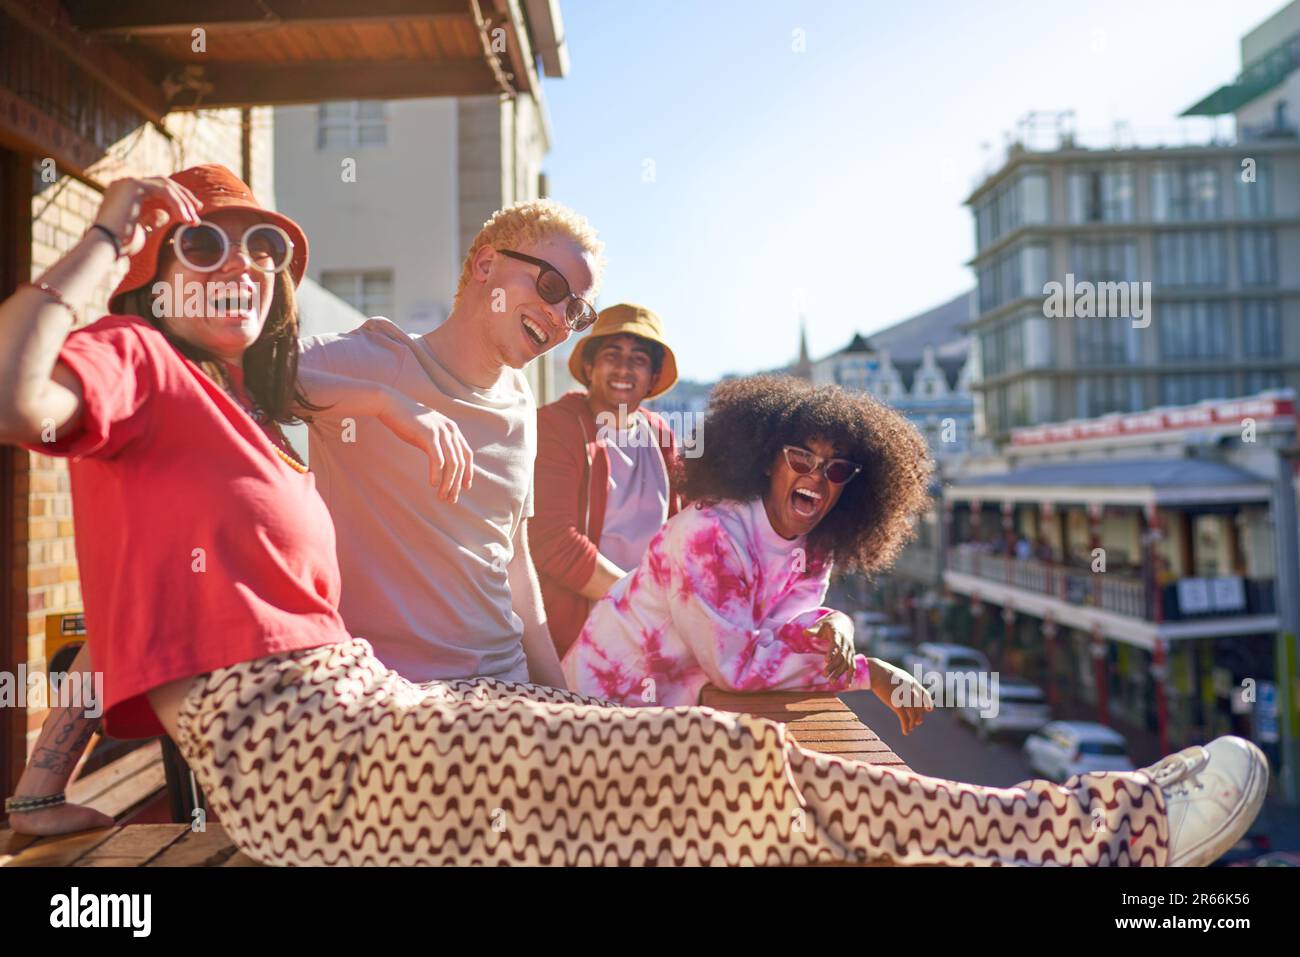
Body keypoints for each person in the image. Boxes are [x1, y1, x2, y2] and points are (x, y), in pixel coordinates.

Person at [1, 167, 1268, 868]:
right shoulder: (199, 367)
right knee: (731, 774)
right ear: (483, 266)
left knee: (729, 795)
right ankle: (1105, 831)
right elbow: (34, 411)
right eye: (208, 246)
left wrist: (38, 786)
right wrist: (113, 234)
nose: (251, 268)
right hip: (340, 752)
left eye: (269, 249)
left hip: (441, 720)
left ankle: (1080, 836)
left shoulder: (234, 422)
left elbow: (133, 584)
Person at [291, 199, 610, 687]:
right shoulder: (377, 361)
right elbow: (244, 375)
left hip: (507, 685)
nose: (560, 318)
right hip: (401, 698)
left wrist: (558, 697)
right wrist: (386, 404)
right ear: (485, 265)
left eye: (577, 310)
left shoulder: (521, 405)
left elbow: (515, 563)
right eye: (551, 287)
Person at [563, 375, 934, 718]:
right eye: (800, 458)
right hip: (600, 706)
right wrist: (869, 672)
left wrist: (836, 624)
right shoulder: (707, 536)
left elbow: (778, 634)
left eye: (835, 470)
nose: (815, 476)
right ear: (770, 462)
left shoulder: (815, 549)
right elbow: (736, 670)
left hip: (669, 716)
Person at [532, 303, 683, 656]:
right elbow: (552, 540)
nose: (624, 368)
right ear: (589, 366)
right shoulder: (557, 426)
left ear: (652, 378)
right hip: (576, 639)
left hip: (652, 637)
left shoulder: (661, 435)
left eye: (639, 359)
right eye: (612, 354)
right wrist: (642, 601)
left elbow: (685, 527)